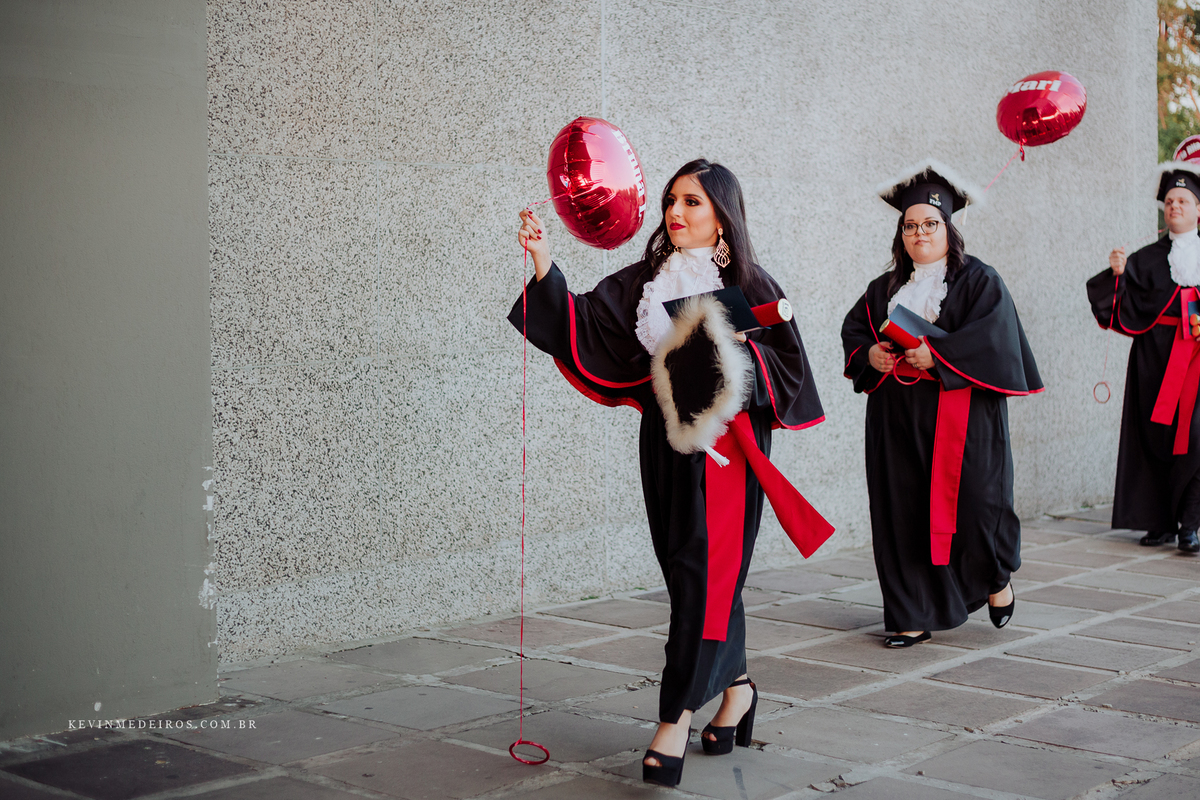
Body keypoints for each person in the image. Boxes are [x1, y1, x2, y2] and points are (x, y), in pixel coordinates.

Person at [510, 159, 826, 786]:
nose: (675, 213)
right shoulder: (647, 279)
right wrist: (544, 261)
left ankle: (673, 719)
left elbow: (788, 366)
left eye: (692, 202)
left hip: (728, 450)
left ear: (723, 216)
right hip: (665, 443)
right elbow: (586, 321)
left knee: (705, 576)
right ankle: (738, 691)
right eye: (671, 201)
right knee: (691, 578)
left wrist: (736, 352)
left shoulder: (750, 283)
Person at [840, 161, 1043, 647]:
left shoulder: (980, 281)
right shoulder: (885, 289)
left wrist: (939, 354)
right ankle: (909, 613)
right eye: (910, 226)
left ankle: (994, 576)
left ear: (949, 227)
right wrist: (869, 354)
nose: (919, 234)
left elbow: (996, 338)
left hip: (963, 417)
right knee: (900, 512)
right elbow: (855, 329)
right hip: (896, 420)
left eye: (930, 224)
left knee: (978, 507)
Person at [1087, 160, 1200, 553]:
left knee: (1196, 437)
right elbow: (1116, 305)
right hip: (1154, 358)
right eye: (1169, 201)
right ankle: (1160, 521)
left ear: (1199, 209)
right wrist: (1116, 274)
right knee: (1156, 438)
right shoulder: (1147, 258)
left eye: (1183, 200)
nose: (1174, 206)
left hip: (1197, 360)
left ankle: (1190, 524)